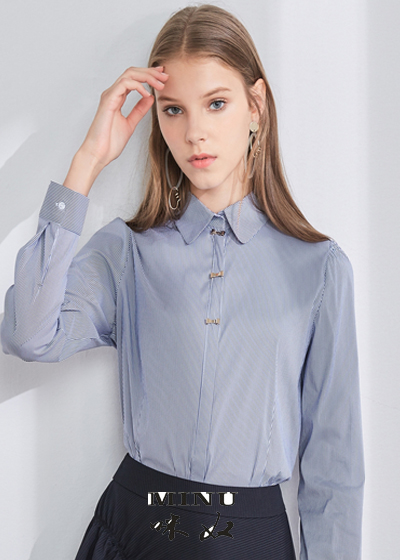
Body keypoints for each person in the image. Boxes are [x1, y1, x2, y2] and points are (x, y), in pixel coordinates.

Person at [0, 3, 365, 560]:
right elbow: (27, 334)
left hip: (250, 542)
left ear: (255, 106)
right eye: (173, 110)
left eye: (216, 103)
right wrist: (88, 160)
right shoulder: (128, 252)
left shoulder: (319, 269)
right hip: (134, 533)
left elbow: (335, 469)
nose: (194, 133)